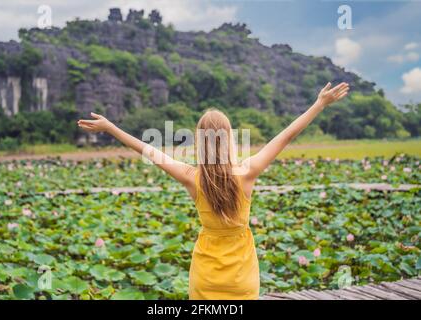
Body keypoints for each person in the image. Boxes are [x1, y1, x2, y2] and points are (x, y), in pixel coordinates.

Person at [77, 81, 349, 299]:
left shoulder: (191, 178)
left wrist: (111, 128)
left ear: (200, 141)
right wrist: (319, 104)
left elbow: (149, 151)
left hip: (205, 277)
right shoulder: (247, 172)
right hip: (241, 279)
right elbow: (287, 135)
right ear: (228, 138)